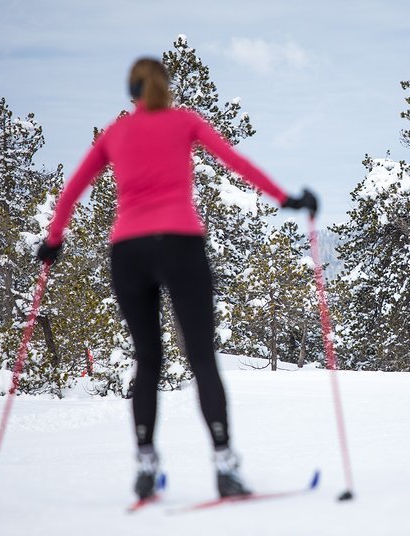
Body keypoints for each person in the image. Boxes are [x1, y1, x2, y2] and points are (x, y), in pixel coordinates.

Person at [36, 58, 317, 501]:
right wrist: (285, 198)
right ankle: (225, 465)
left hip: (128, 251)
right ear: (166, 88)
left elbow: (72, 189)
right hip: (180, 244)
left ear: (132, 89)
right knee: (202, 357)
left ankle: (146, 467)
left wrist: (54, 241)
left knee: (148, 359)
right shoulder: (184, 121)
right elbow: (235, 162)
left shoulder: (116, 132)